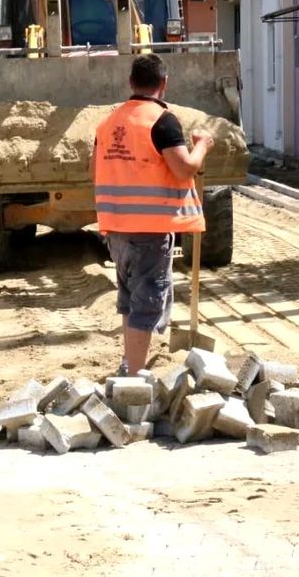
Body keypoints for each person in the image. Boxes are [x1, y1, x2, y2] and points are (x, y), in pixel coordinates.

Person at [93, 54, 213, 376]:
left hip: (115, 228)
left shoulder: (108, 123)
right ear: (164, 84)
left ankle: (128, 364)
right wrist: (202, 145)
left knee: (130, 297)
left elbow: (101, 168)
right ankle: (132, 377)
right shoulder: (162, 121)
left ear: (131, 83)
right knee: (146, 302)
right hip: (149, 229)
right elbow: (184, 167)